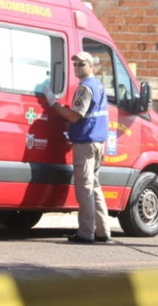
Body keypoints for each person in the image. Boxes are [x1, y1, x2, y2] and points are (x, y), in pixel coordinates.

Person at [42, 51, 111, 243]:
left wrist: (54, 104)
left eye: (81, 64)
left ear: (91, 65)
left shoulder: (85, 88)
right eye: (75, 64)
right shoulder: (98, 85)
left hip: (86, 142)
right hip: (97, 142)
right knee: (94, 186)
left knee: (85, 188)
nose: (77, 67)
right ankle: (103, 230)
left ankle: (86, 232)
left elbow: (74, 116)